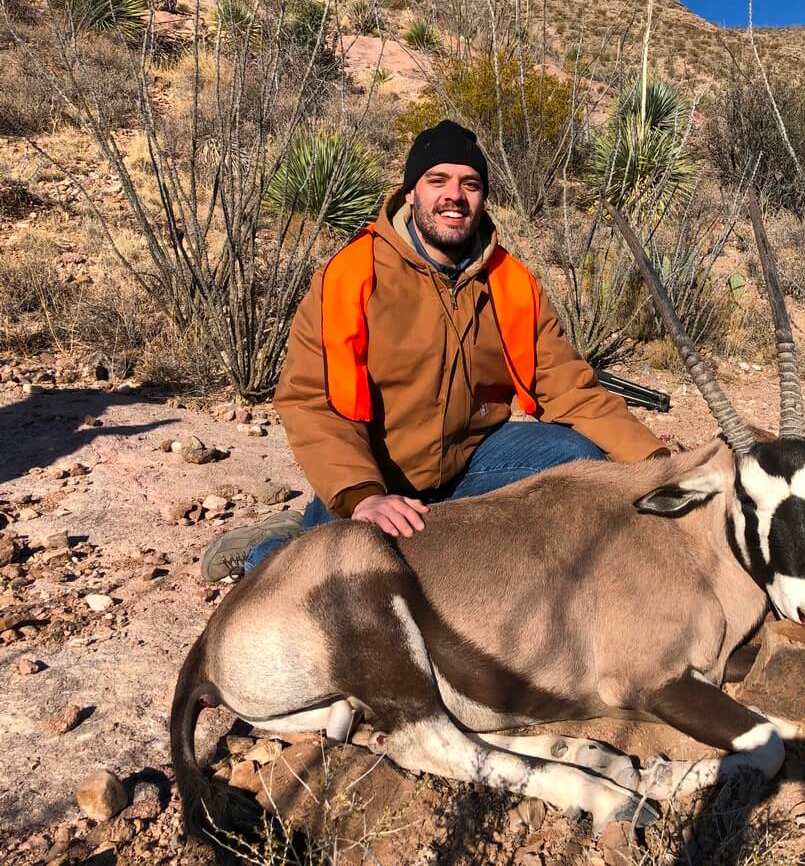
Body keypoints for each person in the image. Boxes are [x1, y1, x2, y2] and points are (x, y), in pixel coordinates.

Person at [200, 120, 668, 580]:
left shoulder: (511, 282)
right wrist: (363, 496)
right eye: (437, 180)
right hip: (379, 476)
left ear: (483, 199)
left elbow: (569, 387)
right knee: (332, 582)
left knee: (578, 458)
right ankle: (269, 547)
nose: (454, 196)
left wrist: (659, 467)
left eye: (470, 184)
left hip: (472, 465)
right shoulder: (351, 275)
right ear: (411, 193)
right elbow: (312, 400)